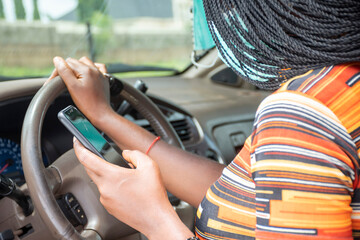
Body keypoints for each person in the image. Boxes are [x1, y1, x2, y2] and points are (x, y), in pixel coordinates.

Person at [49, 1, 360, 239]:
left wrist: (155, 220)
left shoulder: (303, 113)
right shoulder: (341, 90)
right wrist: (105, 115)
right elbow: (249, 192)